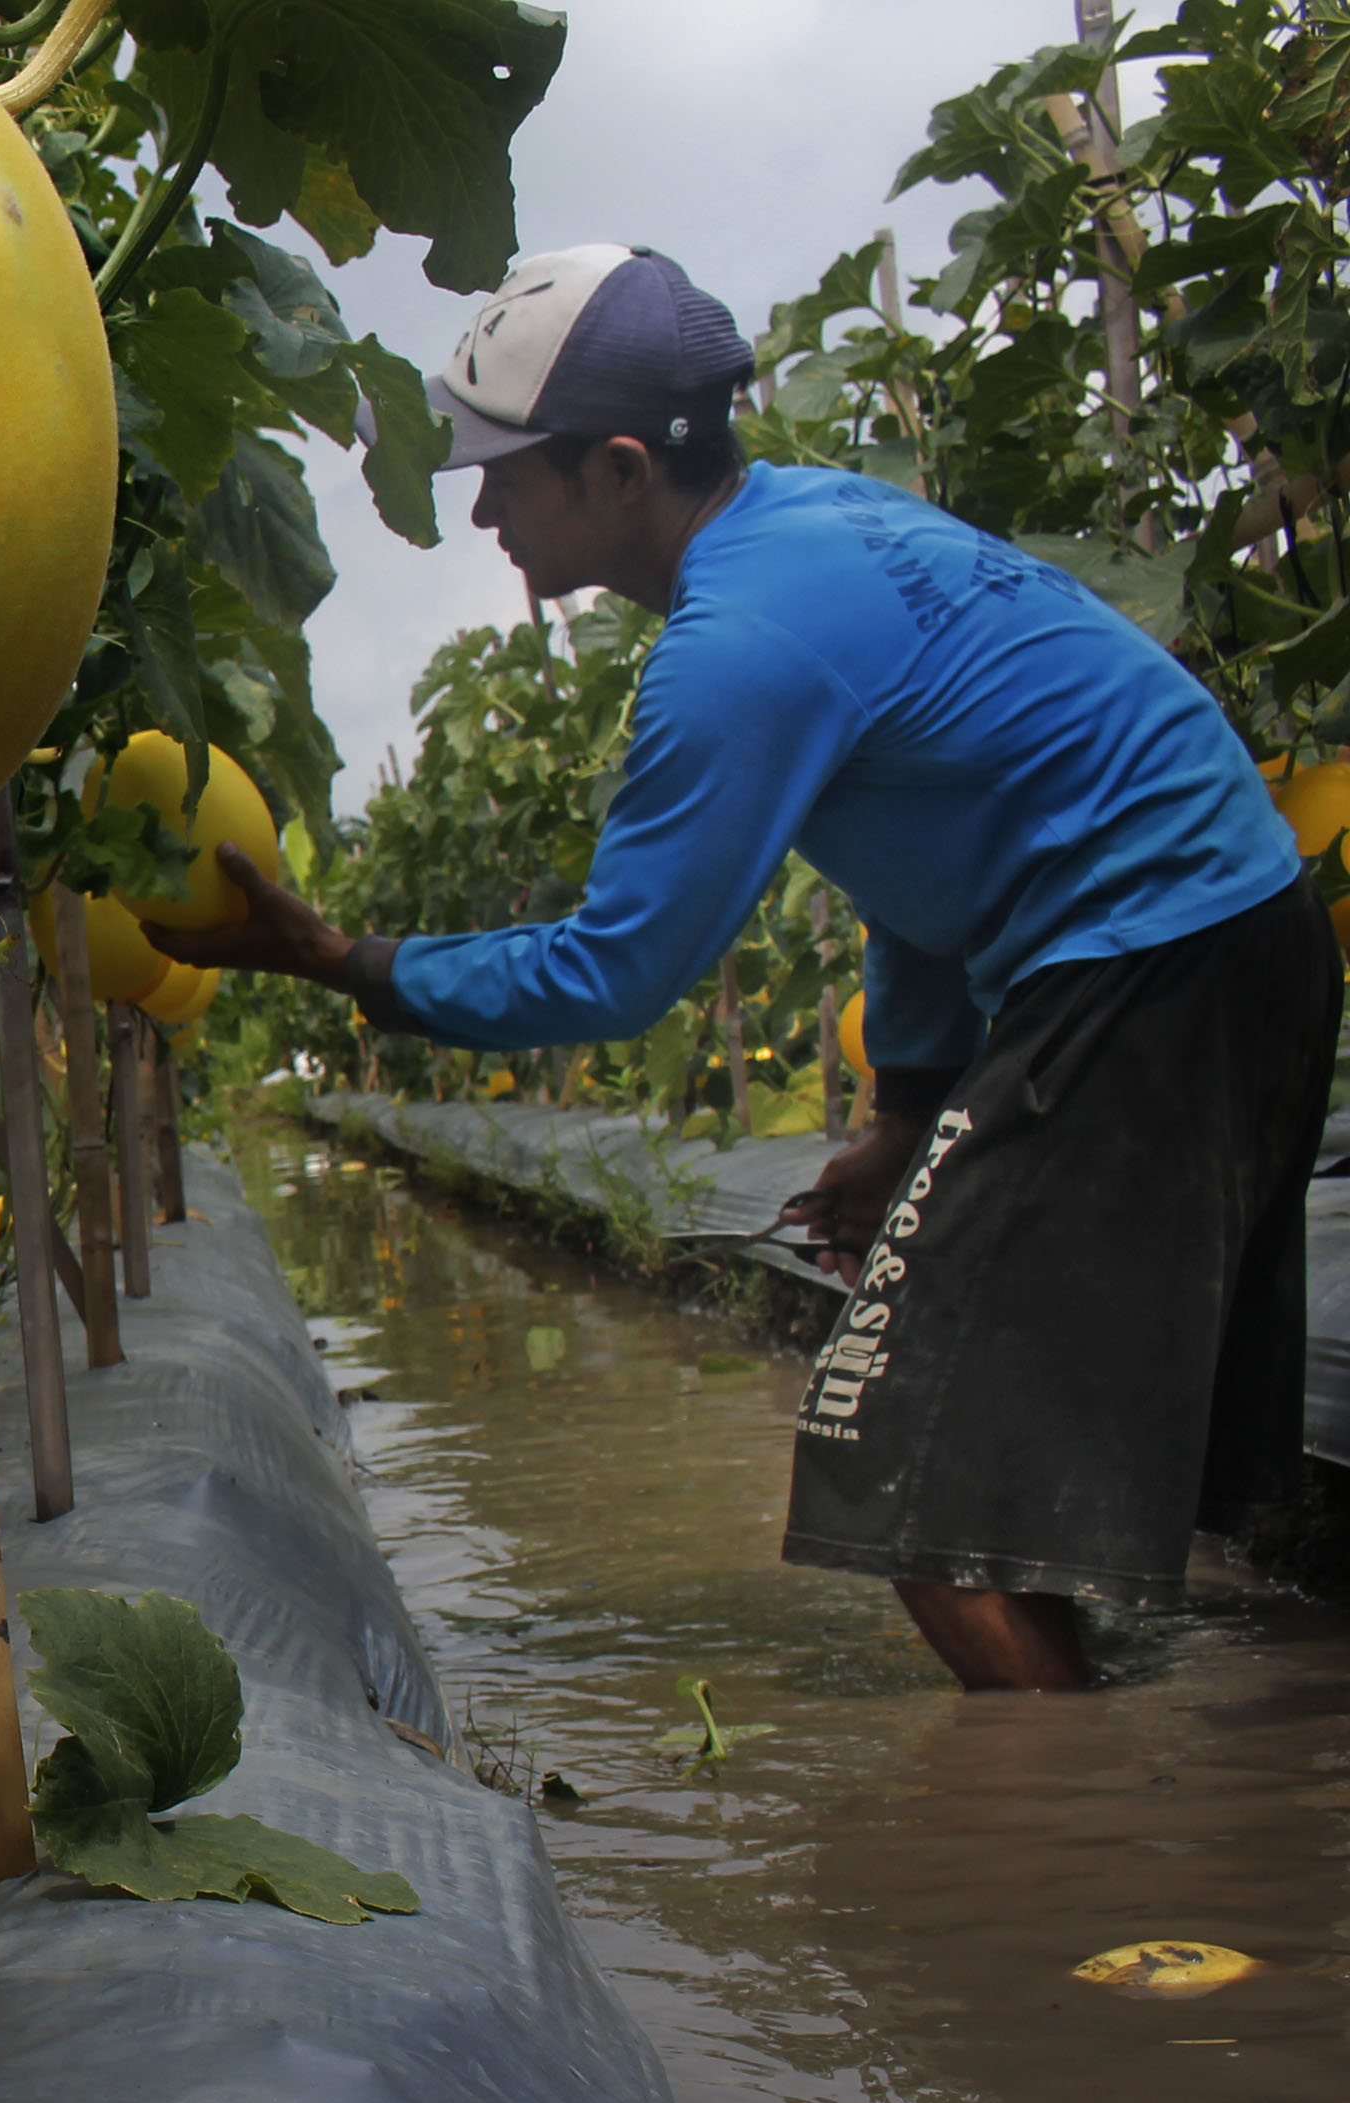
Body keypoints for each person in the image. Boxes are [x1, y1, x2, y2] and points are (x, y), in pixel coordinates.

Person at [152, 244, 1335, 1693]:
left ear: (620, 470)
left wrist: (345, 962)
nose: (482, 511)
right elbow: (924, 866)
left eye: (504, 475)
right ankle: (1185, 1761)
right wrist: (903, 1113)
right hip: (1233, 941)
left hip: (1149, 967)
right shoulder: (817, 529)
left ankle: (1069, 1813)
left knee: (906, 1478)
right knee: (1014, 1478)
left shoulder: (739, 644)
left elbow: (617, 972)